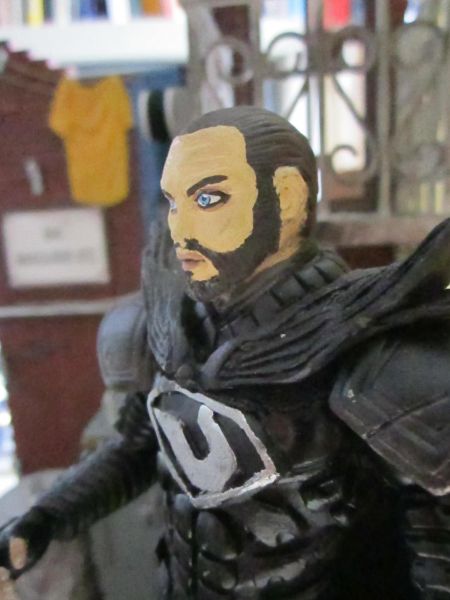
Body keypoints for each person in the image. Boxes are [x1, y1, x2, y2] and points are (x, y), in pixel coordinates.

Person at [1, 107, 449, 599]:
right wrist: (44, 521)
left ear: (287, 198)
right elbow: (137, 446)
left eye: (208, 199)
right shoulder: (173, 326)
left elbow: (433, 540)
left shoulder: (365, 347)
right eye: (173, 202)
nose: (179, 229)